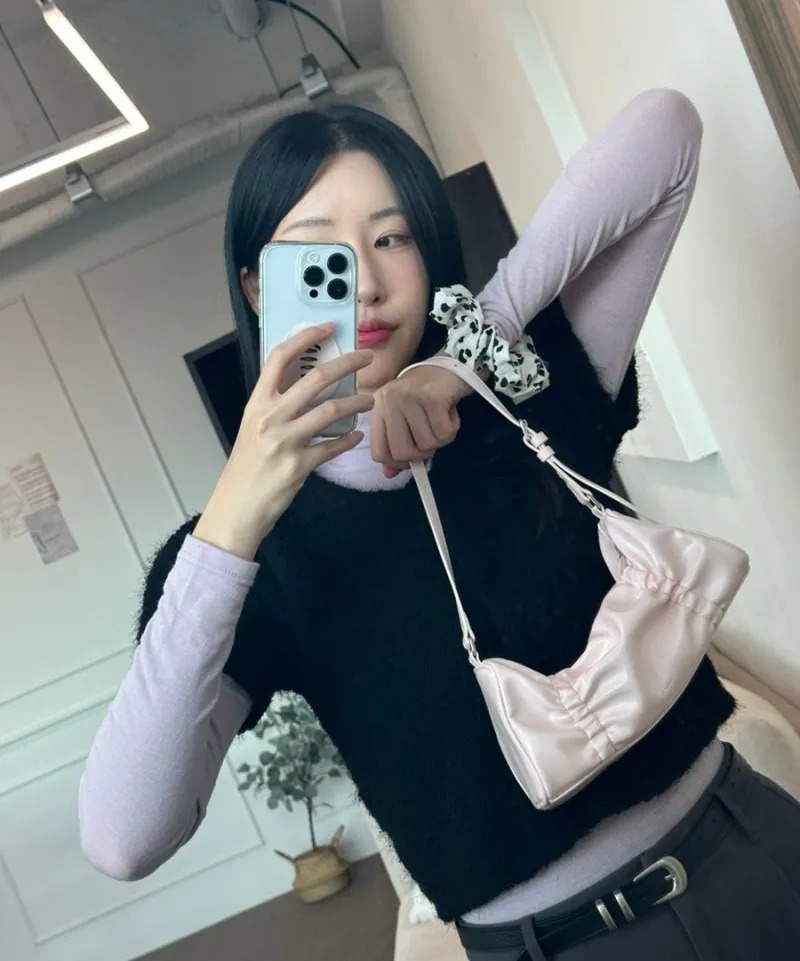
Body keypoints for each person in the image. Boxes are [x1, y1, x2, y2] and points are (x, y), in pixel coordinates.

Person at [78, 88, 800, 960]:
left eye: (393, 238)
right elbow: (122, 839)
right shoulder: (250, 559)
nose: (367, 281)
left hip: (756, 851)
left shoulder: (524, 387)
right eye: (319, 252)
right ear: (258, 289)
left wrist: (467, 356)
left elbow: (667, 131)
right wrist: (232, 517)